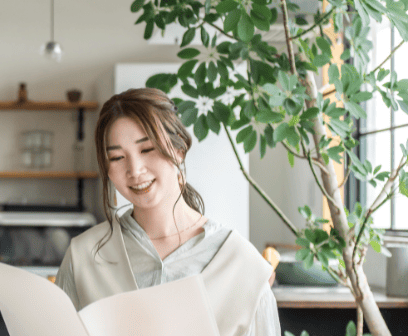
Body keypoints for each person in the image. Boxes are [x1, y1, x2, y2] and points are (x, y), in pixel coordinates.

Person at [55, 88, 280, 335]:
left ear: (179, 149)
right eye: (117, 157)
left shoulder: (244, 266)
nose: (135, 169)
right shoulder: (83, 256)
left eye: (147, 149)